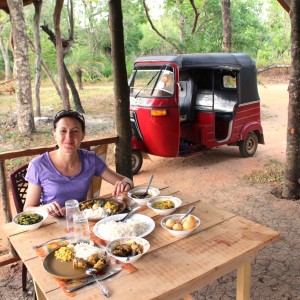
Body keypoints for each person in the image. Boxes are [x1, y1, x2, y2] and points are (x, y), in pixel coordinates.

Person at [24, 109, 134, 217]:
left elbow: (127, 181)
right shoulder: (38, 165)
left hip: (81, 221)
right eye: (63, 131)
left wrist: (126, 184)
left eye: (75, 131)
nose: (69, 137)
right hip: (51, 224)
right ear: (54, 134)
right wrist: (43, 208)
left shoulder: (91, 159)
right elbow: (28, 209)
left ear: (82, 135)